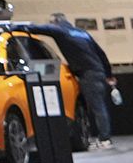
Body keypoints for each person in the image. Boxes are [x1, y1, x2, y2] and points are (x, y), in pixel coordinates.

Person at [43, 12, 117, 148]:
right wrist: (108, 74)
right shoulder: (82, 33)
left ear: (56, 22)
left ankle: (105, 139)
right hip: (98, 71)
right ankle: (104, 138)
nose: (50, 25)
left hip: (88, 74)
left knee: (98, 107)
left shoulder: (61, 30)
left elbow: (41, 29)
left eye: (51, 23)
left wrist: (18, 28)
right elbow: (101, 54)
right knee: (99, 106)